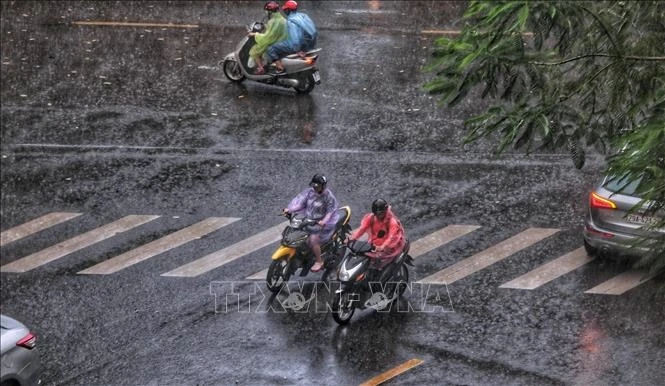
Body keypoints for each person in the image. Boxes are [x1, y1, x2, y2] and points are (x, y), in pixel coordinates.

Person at [283, 174, 340, 272]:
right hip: (308, 220)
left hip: (320, 223)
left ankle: (319, 261)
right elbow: (301, 205)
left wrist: (323, 221)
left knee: (313, 239)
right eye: (314, 185)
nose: (314, 187)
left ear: (323, 186)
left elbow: (330, 212)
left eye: (317, 186)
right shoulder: (310, 193)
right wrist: (290, 210)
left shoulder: (328, 196)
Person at [348, 199, 406, 270]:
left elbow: (391, 237)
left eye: (381, 213)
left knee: (378, 264)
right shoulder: (371, 218)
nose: (379, 216)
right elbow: (362, 229)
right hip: (374, 245)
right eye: (377, 214)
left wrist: (382, 246)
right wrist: (353, 238)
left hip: (389, 247)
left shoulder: (392, 222)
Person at [266, 0, 318, 73]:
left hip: (299, 45)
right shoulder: (303, 15)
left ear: (288, 10)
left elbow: (295, 39)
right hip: (310, 44)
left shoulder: (291, 21)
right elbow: (313, 30)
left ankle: (279, 68)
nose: (284, 10)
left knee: (270, 49)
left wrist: (298, 50)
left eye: (285, 9)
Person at [248, 1, 287, 75]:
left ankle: (260, 68)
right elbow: (274, 31)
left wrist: (255, 34)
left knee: (254, 50)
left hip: (274, 42)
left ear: (270, 11)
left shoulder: (273, 21)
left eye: (267, 11)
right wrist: (266, 26)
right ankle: (266, 64)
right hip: (282, 42)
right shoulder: (282, 19)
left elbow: (267, 38)